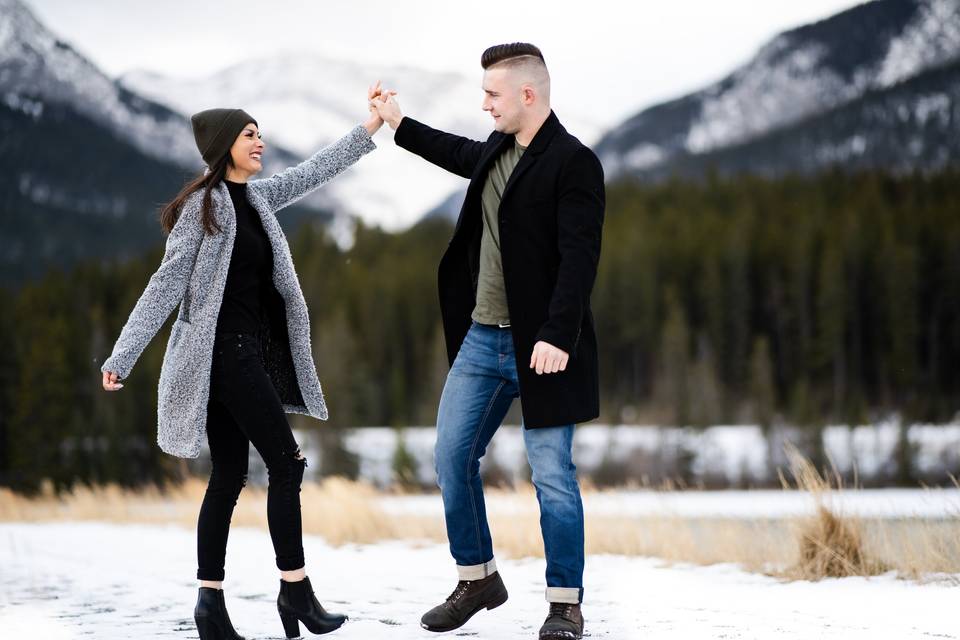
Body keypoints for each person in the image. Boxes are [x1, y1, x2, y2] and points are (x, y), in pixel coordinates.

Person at [100, 83, 389, 639]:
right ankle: (295, 590)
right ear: (225, 145)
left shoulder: (257, 199)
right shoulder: (202, 210)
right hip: (224, 355)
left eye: (260, 133)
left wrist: (370, 128)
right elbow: (164, 286)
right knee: (287, 464)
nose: (260, 142)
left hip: (244, 352)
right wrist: (123, 354)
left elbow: (315, 170)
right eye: (250, 134)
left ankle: (210, 607)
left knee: (229, 476)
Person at [370, 44, 605, 640]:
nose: (484, 104)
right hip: (483, 338)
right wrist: (398, 122)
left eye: (492, 94)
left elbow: (580, 258)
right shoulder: (498, 150)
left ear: (528, 94)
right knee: (451, 455)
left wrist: (558, 334)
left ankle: (564, 605)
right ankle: (478, 579)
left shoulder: (574, 163)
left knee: (552, 474)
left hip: (544, 346)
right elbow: (455, 151)